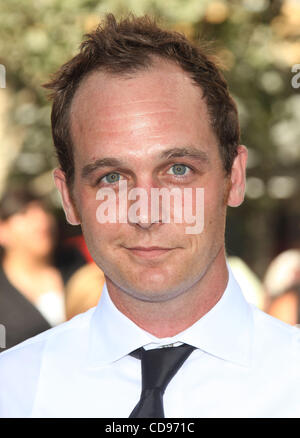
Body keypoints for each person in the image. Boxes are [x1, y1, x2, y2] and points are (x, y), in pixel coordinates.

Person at [0, 14, 300, 418]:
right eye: (111, 177)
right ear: (68, 198)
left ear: (234, 177)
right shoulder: (13, 391)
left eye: (178, 170)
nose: (146, 212)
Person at [0, 188, 65, 350]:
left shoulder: (77, 265)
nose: (41, 222)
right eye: (24, 213)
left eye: (43, 211)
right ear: (3, 230)